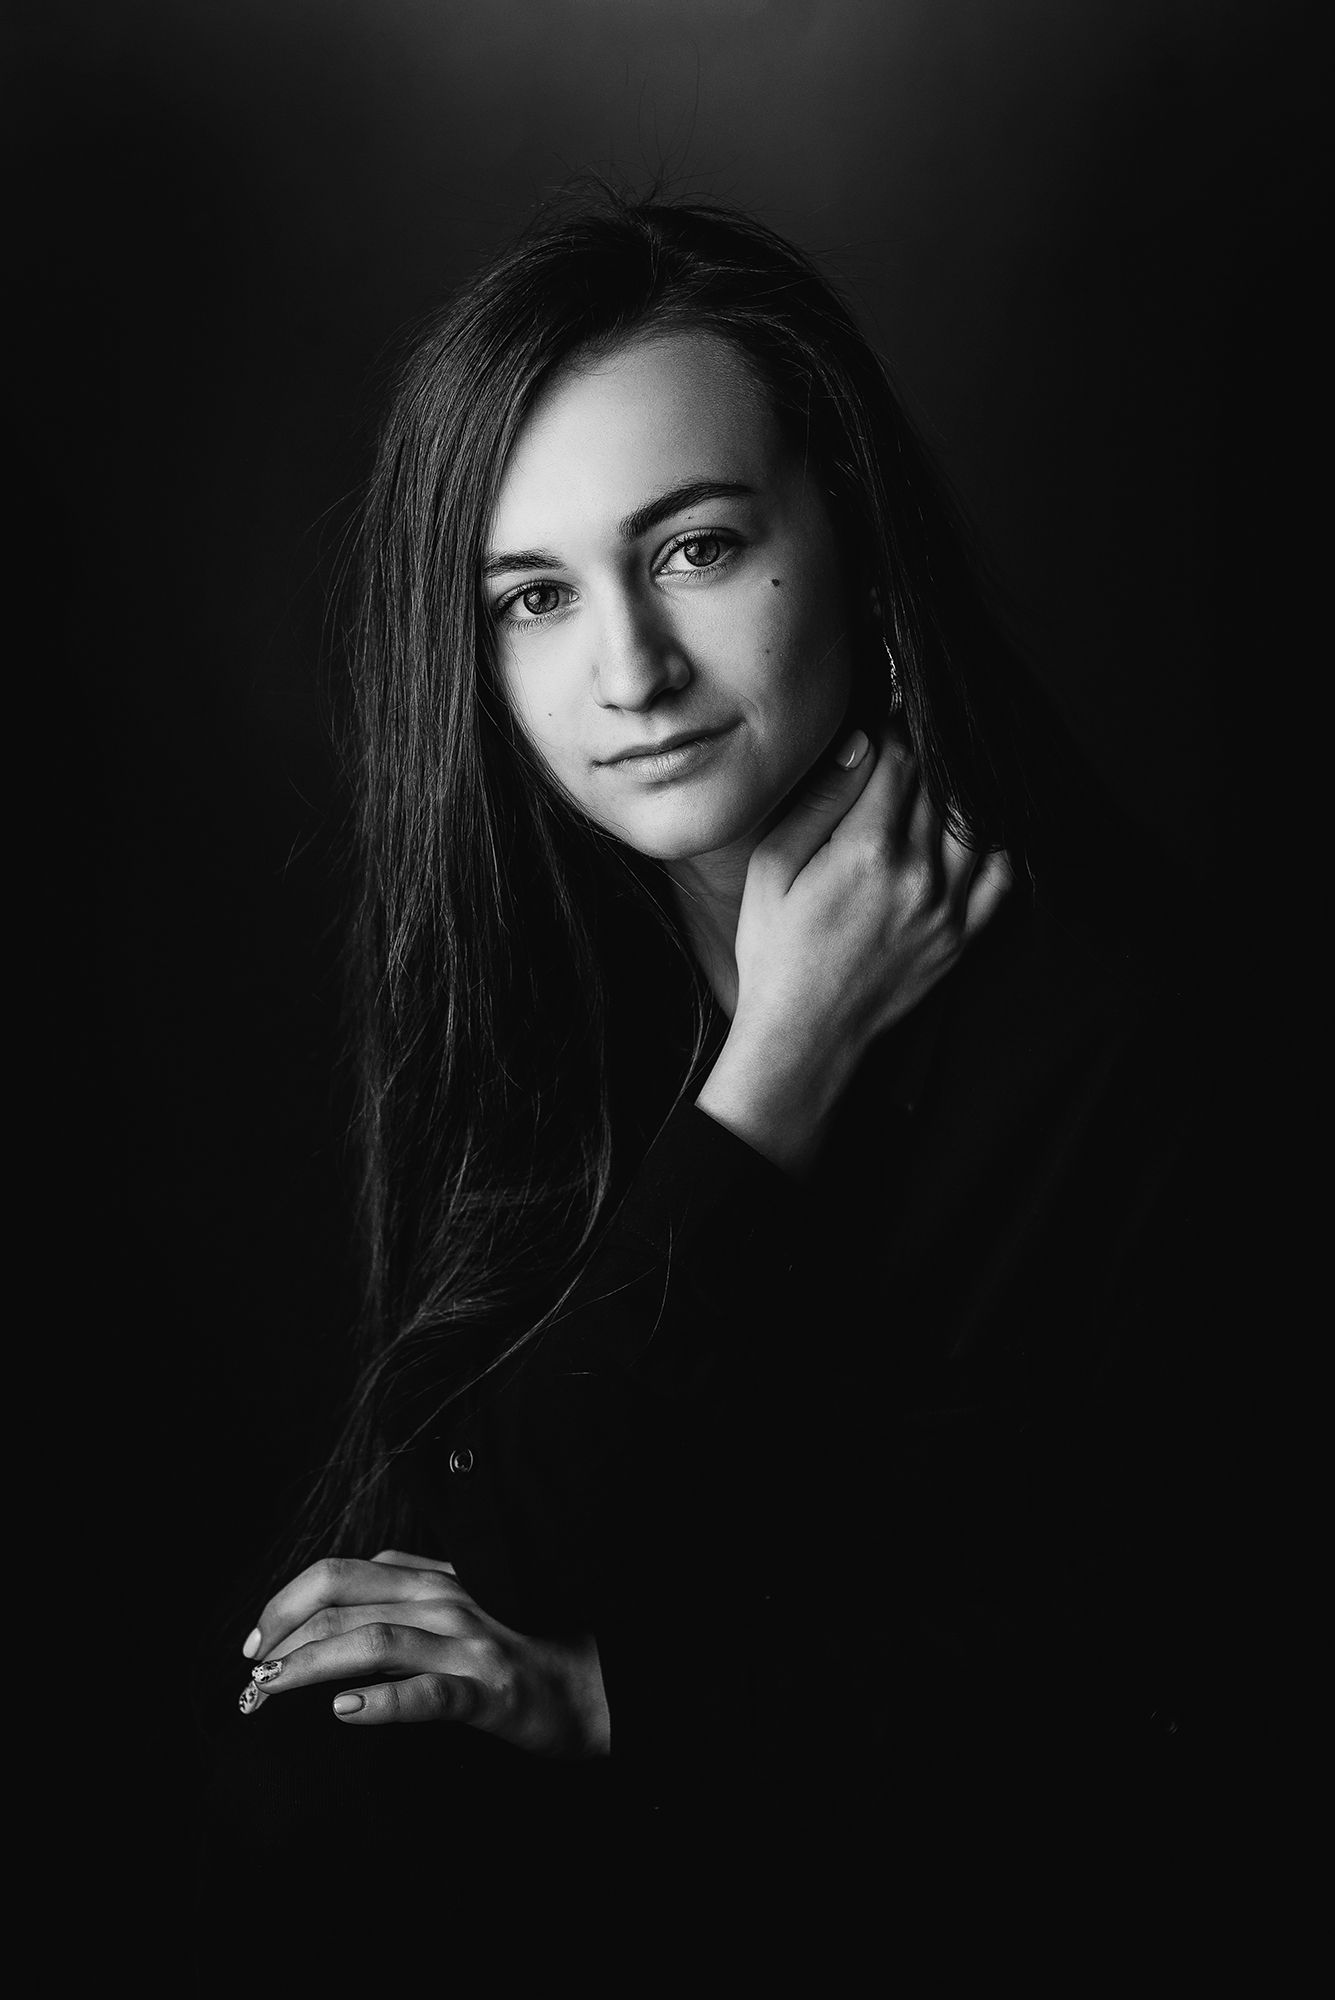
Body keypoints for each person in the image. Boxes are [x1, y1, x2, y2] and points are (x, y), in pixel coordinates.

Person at [196, 191, 1213, 1971]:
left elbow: (1133, 1708)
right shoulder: (551, 998)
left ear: (855, 538)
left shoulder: (1128, 1037)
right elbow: (454, 1583)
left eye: (693, 549)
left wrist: (609, 1699)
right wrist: (771, 1074)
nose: (629, 673)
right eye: (534, 597)